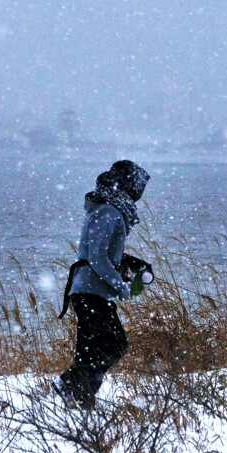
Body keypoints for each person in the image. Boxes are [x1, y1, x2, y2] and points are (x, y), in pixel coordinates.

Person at [54, 159, 150, 410]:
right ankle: (71, 386)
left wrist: (124, 260)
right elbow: (96, 255)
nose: (140, 191)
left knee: (95, 347)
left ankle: (80, 396)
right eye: (139, 185)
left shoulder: (110, 208)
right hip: (90, 289)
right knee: (112, 344)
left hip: (94, 289)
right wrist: (121, 285)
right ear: (129, 185)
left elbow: (100, 252)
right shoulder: (108, 210)